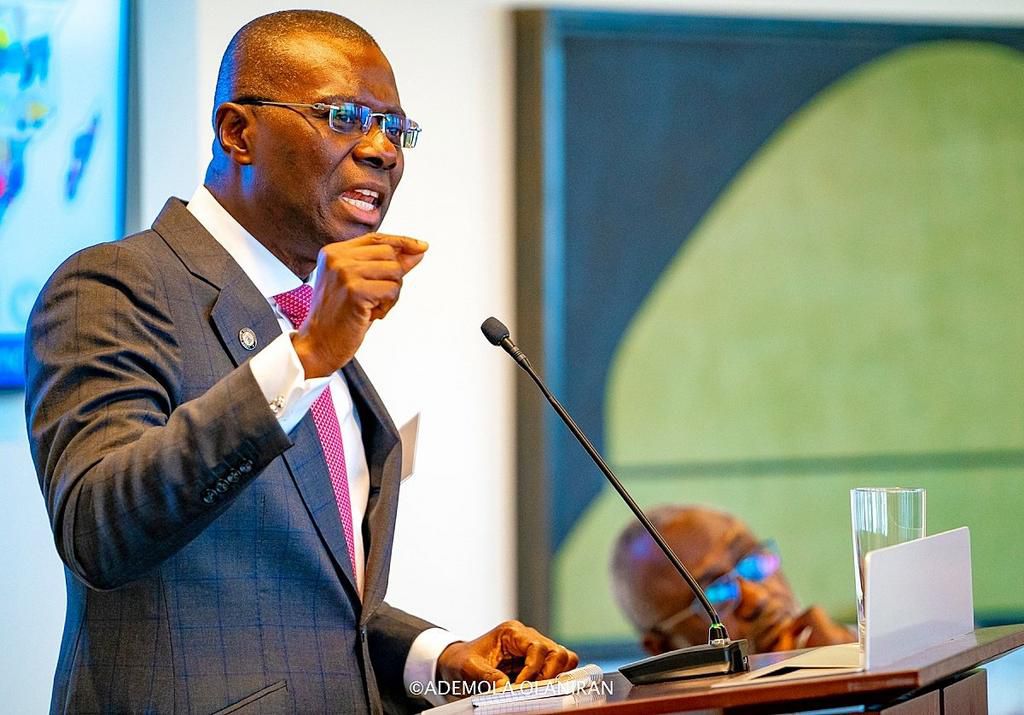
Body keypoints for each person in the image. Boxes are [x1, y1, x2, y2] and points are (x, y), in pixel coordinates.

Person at [24, 10, 576, 714]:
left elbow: (307, 598)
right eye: (344, 117)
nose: (381, 150)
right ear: (237, 132)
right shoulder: (114, 285)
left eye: (395, 129)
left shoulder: (300, 314)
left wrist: (435, 658)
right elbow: (98, 528)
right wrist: (309, 353)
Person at [611, 505, 855, 655]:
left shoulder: (863, 651)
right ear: (664, 648)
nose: (758, 598)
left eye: (753, 563)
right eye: (716, 593)